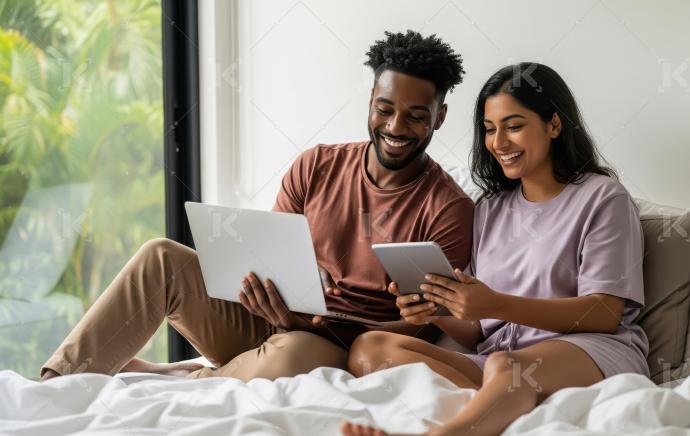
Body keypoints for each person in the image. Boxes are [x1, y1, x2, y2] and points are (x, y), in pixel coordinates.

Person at [40, 30, 474, 382]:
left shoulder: (447, 209)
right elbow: (269, 255)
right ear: (370, 101)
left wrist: (313, 325)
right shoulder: (317, 165)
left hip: (337, 344)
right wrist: (263, 290)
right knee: (161, 257)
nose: (396, 127)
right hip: (272, 321)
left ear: (440, 116)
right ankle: (58, 381)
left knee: (292, 353)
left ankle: (193, 377)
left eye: (417, 116)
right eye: (385, 109)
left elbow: (425, 326)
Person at [341, 63, 648, 436]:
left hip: (590, 350)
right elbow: (478, 331)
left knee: (509, 368)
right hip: (497, 360)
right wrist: (438, 308)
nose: (498, 142)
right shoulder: (490, 209)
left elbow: (605, 313)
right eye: (489, 129)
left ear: (554, 124)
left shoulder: (603, 198)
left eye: (514, 126)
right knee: (370, 347)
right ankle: (499, 407)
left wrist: (494, 304)